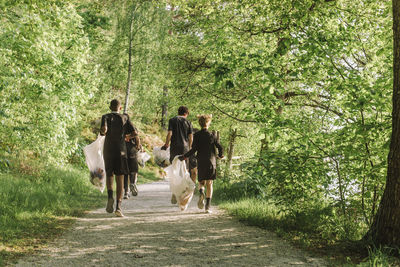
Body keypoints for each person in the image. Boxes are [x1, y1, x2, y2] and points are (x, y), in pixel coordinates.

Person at [100, 99, 137, 217]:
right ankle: (118, 207)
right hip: (121, 150)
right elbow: (135, 132)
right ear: (120, 108)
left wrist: (104, 132)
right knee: (120, 178)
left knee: (109, 174)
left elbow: (103, 131)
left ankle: (110, 196)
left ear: (110, 107)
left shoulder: (105, 116)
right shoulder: (125, 117)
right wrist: (127, 136)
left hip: (108, 150)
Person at [179, 114, 223, 213]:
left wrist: (184, 156)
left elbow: (193, 150)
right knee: (210, 183)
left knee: (201, 181)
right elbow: (219, 147)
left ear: (200, 124)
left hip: (201, 160)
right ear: (208, 123)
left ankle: (201, 191)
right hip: (211, 161)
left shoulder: (197, 135)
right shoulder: (212, 135)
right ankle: (207, 207)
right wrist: (220, 155)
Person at [161, 106, 193, 204]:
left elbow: (170, 133)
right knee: (184, 170)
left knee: (174, 170)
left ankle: (174, 194)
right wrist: (190, 148)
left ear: (178, 112)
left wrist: (166, 144)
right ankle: (181, 193)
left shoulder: (172, 120)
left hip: (174, 148)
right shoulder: (188, 122)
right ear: (186, 113)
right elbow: (191, 137)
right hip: (185, 149)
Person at [123, 133, 141, 199]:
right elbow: (137, 137)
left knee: (125, 172)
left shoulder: (120, 126)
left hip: (123, 151)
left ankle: (126, 192)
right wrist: (138, 147)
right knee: (133, 171)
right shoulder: (132, 127)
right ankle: (132, 183)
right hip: (132, 150)